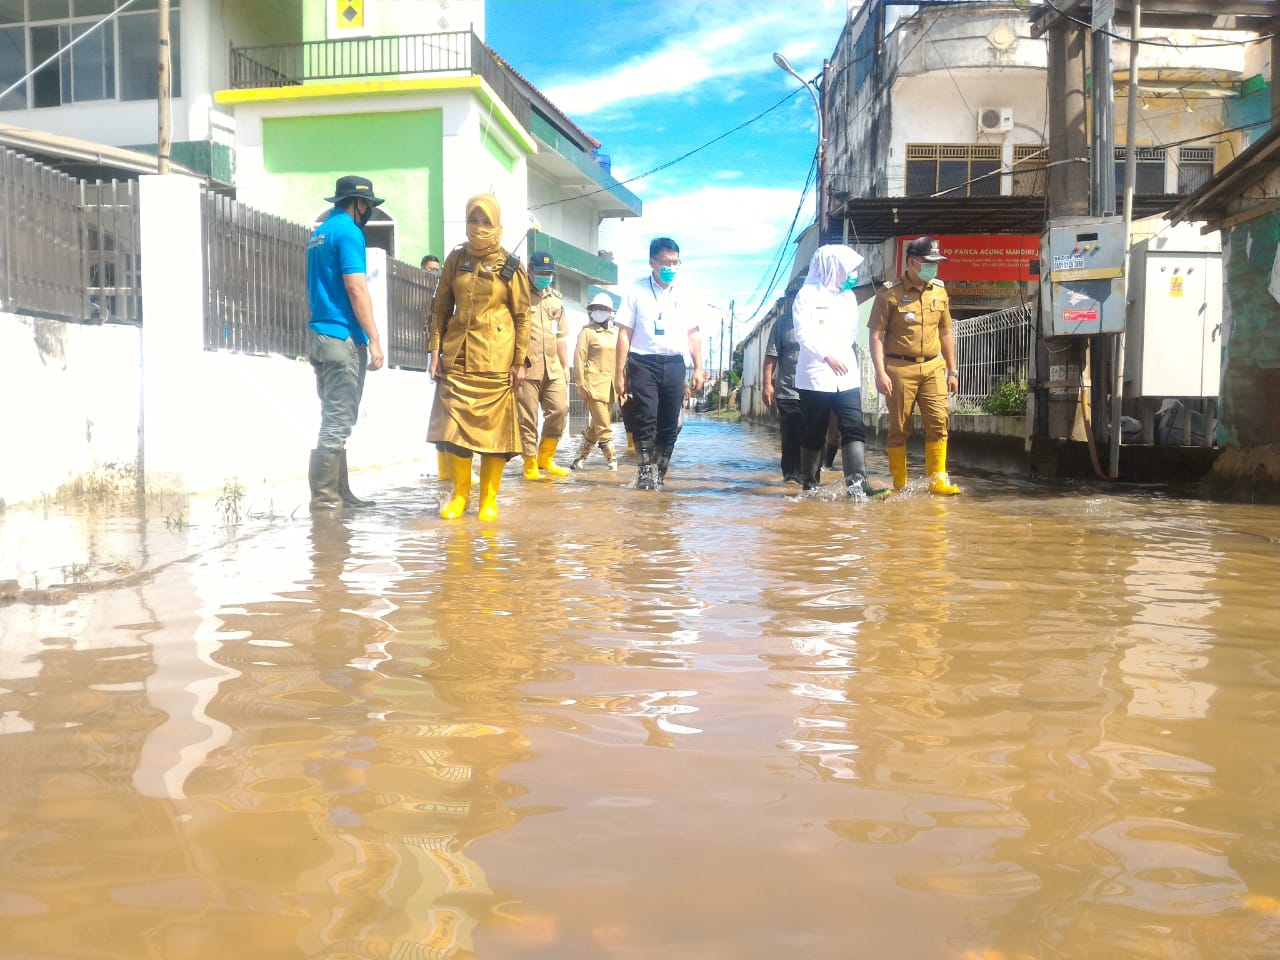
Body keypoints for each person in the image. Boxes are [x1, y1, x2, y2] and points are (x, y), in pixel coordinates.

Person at [426, 194, 530, 521]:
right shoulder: (456, 260)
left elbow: (523, 316)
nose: (479, 228)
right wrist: (434, 351)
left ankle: (488, 498)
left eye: (486, 221)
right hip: (457, 355)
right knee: (454, 428)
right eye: (473, 220)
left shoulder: (511, 266)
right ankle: (460, 495)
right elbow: (441, 307)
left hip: (497, 358)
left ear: (497, 224)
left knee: (494, 432)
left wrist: (519, 361)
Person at [305, 175, 385, 510]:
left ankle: (340, 494)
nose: (367, 212)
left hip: (320, 337)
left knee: (332, 417)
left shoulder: (319, 233)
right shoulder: (349, 232)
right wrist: (375, 340)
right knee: (338, 421)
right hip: (342, 338)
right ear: (359, 203)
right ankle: (325, 502)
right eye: (367, 206)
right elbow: (356, 287)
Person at [868, 236, 961, 495]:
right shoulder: (889, 293)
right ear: (912, 262)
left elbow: (946, 333)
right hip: (899, 369)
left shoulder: (940, 291)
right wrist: (879, 372)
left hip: (933, 367)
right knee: (899, 428)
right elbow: (875, 336)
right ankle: (899, 485)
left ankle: (938, 481)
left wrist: (952, 371)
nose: (934, 267)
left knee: (939, 422)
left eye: (936, 262)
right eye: (929, 262)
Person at [793, 244, 888, 498]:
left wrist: (842, 358)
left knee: (853, 425)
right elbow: (803, 334)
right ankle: (810, 485)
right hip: (815, 375)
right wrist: (827, 356)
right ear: (833, 268)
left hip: (846, 375)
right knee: (814, 430)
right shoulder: (806, 295)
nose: (853, 275)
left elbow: (849, 335)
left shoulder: (848, 297)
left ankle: (858, 485)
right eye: (849, 270)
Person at [614, 237, 705, 490]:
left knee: (670, 423)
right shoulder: (636, 290)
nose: (671, 268)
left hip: (675, 363)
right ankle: (644, 472)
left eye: (676, 263)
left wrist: (698, 367)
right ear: (652, 262)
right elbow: (624, 333)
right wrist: (619, 373)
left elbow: (693, 333)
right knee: (645, 417)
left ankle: (660, 472)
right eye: (666, 262)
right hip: (642, 362)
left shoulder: (686, 294)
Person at [516, 251, 571, 480]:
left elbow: (560, 336)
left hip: (554, 367)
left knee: (559, 410)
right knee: (528, 418)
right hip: (527, 367)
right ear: (529, 271)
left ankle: (545, 457)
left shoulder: (555, 299)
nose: (545, 277)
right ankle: (529, 463)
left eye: (549, 273)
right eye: (541, 273)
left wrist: (566, 366)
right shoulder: (517, 295)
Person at [571, 292, 620, 471]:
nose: (600, 312)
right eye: (596, 308)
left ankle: (578, 459)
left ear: (610, 311)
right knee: (604, 425)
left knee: (596, 425)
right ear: (591, 311)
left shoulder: (616, 332)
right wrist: (580, 384)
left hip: (611, 386)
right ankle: (612, 460)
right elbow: (578, 357)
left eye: (604, 309)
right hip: (593, 385)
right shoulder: (587, 332)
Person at [761, 281, 803, 484]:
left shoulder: (820, 320)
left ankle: (810, 476)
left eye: (797, 295)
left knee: (813, 435)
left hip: (815, 390)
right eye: (791, 296)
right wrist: (767, 384)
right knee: (791, 434)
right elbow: (771, 357)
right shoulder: (782, 324)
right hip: (788, 391)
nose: (794, 300)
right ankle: (790, 475)